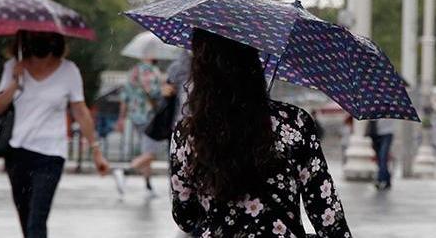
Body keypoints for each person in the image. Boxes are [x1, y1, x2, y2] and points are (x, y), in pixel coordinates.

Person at [170, 29, 352, 237]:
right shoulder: (294, 122)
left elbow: (186, 218)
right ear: (253, 63)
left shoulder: (187, 133)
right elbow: (326, 212)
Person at [0, 31, 109, 238]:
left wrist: (96, 150)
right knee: (25, 219)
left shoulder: (69, 71)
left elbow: (80, 111)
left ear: (55, 39)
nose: (40, 40)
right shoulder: (13, 67)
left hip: (51, 155)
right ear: (25, 39)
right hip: (18, 154)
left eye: (46, 37)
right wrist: (14, 83)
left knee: (37, 220)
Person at [114, 57, 166, 197]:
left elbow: (125, 97)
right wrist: (162, 84)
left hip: (135, 116)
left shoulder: (133, 71)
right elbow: (157, 93)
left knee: (146, 151)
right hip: (149, 117)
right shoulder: (153, 72)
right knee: (152, 153)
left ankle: (148, 187)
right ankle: (124, 171)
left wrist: (121, 118)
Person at [367, 119, 395, 190]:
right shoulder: (374, 108)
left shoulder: (392, 108)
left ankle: (379, 179)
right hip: (375, 133)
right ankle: (387, 179)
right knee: (380, 158)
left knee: (383, 156)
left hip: (387, 133)